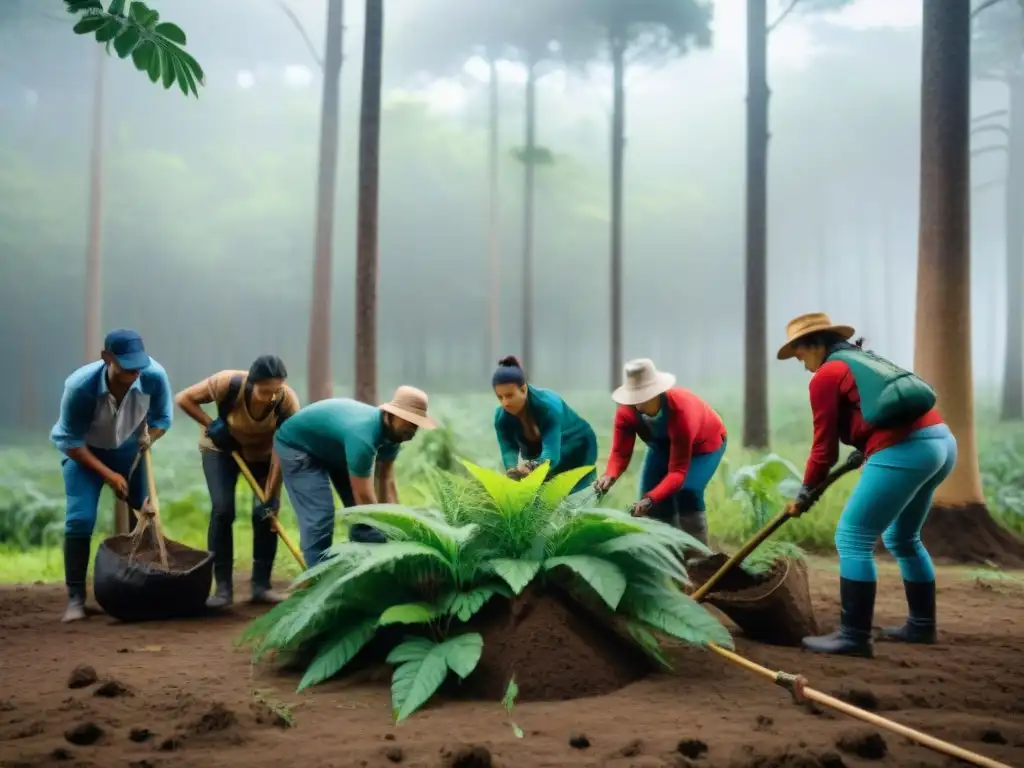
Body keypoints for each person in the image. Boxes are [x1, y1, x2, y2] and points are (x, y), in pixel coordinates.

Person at [777, 312, 955, 658]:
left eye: (800, 355)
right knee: (902, 537)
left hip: (908, 448)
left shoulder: (827, 374)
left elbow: (822, 449)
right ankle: (921, 627)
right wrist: (864, 448)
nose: (802, 365)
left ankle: (854, 636)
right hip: (941, 442)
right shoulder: (861, 360)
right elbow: (873, 410)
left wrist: (806, 492)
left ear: (815, 344)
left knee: (851, 536)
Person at [49, 329, 173, 623]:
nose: (133, 373)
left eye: (138, 366)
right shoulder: (80, 387)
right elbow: (70, 441)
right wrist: (108, 475)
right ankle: (76, 599)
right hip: (85, 455)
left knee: (146, 513)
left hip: (130, 451)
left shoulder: (154, 376)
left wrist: (150, 438)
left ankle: (141, 590)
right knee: (79, 518)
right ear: (107, 358)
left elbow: (163, 418)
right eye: (126, 365)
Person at [174, 355, 300, 608]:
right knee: (223, 510)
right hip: (222, 449)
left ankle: (261, 587)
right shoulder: (228, 383)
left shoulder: (286, 401)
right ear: (252, 384)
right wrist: (211, 425)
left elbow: (282, 449)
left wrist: (270, 495)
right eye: (265, 391)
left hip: (265, 456)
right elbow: (183, 398)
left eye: (276, 390)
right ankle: (222, 589)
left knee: (264, 513)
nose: (271, 396)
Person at [273, 386, 437, 567]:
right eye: (408, 421)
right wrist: (389, 534)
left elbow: (386, 483)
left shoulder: (396, 435)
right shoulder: (363, 437)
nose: (412, 430)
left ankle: (364, 565)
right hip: (297, 445)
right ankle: (318, 578)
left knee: (366, 520)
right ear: (391, 414)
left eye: (416, 424)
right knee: (321, 515)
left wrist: (399, 525)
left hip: (335, 446)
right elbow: (364, 499)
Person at [593, 358, 727, 546]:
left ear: (656, 392)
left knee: (687, 491)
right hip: (662, 447)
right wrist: (610, 475)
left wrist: (651, 499)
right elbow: (620, 453)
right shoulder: (626, 413)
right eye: (634, 397)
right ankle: (665, 548)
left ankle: (698, 553)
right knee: (649, 494)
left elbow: (678, 473)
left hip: (704, 446)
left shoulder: (681, 411)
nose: (637, 404)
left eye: (643, 396)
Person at [491, 356, 598, 491]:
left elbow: (551, 454)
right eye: (500, 397)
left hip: (578, 446)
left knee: (576, 494)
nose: (505, 403)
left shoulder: (548, 406)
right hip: (539, 451)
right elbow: (508, 450)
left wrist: (531, 467)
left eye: (510, 395)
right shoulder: (501, 418)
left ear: (523, 390)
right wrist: (512, 472)